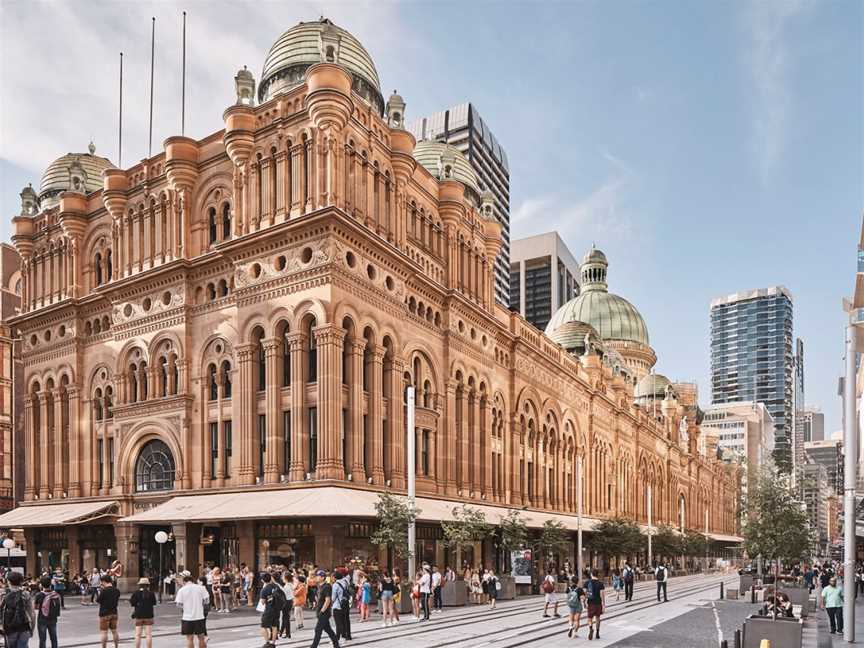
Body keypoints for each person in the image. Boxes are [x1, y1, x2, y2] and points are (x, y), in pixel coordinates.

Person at [1, 571, 35, 648]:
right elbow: (32, 613)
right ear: (20, 582)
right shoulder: (26, 594)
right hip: (24, 627)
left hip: (9, 629)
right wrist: (32, 629)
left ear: (9, 582)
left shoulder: (3, 594)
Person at [175, 573, 209, 648]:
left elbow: (178, 604)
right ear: (193, 581)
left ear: (184, 581)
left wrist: (185, 607)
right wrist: (200, 604)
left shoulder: (182, 590)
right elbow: (206, 601)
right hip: (199, 616)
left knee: (190, 639)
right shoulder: (201, 588)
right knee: (201, 638)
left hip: (187, 617)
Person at [309, 569, 340, 648]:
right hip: (320, 611)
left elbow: (328, 600)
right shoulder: (320, 586)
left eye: (318, 576)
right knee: (328, 630)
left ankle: (313, 646)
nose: (316, 577)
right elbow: (320, 598)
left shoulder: (327, 586)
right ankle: (336, 645)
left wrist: (322, 611)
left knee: (318, 630)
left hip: (324, 613)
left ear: (323, 577)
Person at [258, 572, 284, 648]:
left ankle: (267, 643)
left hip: (269, 610)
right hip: (277, 610)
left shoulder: (264, 589)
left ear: (263, 580)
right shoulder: (276, 586)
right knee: (274, 626)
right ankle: (273, 643)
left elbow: (262, 602)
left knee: (263, 626)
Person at [34, 576, 61, 648]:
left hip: (42, 619)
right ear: (50, 584)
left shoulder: (39, 595)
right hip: (53, 618)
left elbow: (35, 607)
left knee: (42, 639)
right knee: (54, 638)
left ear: (41, 585)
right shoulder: (55, 594)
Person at [130, 577, 157, 648]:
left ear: (140, 585)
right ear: (148, 585)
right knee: (148, 634)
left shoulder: (136, 593)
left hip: (139, 615)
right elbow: (154, 603)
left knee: (138, 635)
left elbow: (132, 603)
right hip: (149, 615)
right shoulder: (151, 593)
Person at [96, 574, 121, 648]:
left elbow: (98, 600)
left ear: (104, 581)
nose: (101, 583)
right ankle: (116, 646)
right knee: (114, 631)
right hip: (114, 612)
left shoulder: (104, 591)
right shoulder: (117, 590)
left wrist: (101, 590)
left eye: (101, 582)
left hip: (104, 613)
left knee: (104, 632)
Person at [332, 568, 353, 641]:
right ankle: (348, 635)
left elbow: (333, 597)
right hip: (345, 602)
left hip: (339, 604)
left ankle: (342, 635)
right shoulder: (346, 581)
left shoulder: (336, 584)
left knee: (340, 621)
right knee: (346, 619)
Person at [584, 570, 605, 641]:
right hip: (598, 603)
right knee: (597, 618)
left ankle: (590, 628)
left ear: (591, 574)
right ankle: (597, 633)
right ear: (597, 574)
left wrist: (584, 602)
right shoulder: (600, 583)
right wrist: (603, 605)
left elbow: (585, 594)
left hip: (590, 603)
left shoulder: (587, 583)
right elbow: (602, 595)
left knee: (590, 618)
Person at [280, 570, 294, 639]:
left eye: (282, 577)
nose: (282, 578)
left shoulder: (286, 586)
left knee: (285, 618)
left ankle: (287, 633)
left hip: (286, 602)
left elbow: (283, 596)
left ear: (285, 578)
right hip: (290, 602)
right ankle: (282, 632)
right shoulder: (291, 584)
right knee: (285, 617)